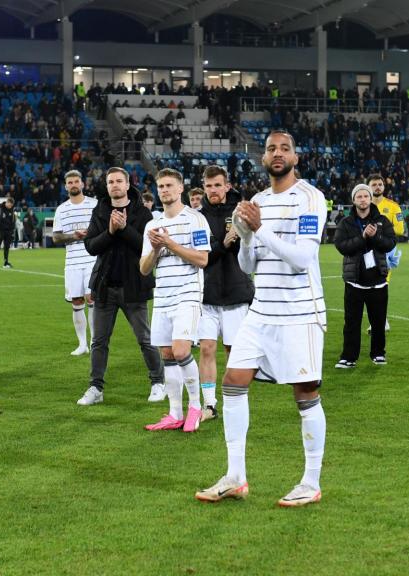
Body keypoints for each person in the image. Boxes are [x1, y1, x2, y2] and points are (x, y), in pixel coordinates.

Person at [196, 131, 327, 507]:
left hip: (300, 311)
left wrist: (260, 229)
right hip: (262, 309)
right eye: (271, 148)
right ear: (264, 157)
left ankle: (310, 481)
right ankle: (235, 476)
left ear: (295, 156)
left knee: (305, 393)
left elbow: (303, 259)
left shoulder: (310, 199)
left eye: (285, 148)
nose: (277, 153)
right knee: (233, 381)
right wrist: (249, 238)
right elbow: (246, 264)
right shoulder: (255, 202)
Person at [76, 167, 165, 405]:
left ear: (127, 185)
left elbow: (145, 247)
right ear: (107, 186)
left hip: (134, 286)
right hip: (105, 286)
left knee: (145, 339)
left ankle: (158, 382)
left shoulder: (142, 213)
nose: (114, 185)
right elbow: (91, 246)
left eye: (118, 181)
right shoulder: (101, 210)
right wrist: (111, 231)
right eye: (110, 181)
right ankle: (95, 388)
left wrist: (124, 229)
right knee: (99, 342)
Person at [139, 168, 211, 432]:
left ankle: (195, 407)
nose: (164, 190)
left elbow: (203, 259)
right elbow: (144, 269)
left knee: (181, 350)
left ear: (180, 188)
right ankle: (174, 413)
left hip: (188, 294)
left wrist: (169, 244)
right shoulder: (152, 225)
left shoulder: (195, 219)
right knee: (167, 355)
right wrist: (156, 248)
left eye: (169, 185)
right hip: (163, 297)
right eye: (160, 186)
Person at [197, 165, 254, 422]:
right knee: (207, 348)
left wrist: (240, 239)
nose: (213, 191)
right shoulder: (197, 217)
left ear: (227, 186)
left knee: (234, 351)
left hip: (235, 293)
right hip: (207, 294)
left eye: (217, 185)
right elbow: (203, 258)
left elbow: (251, 249)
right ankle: (209, 404)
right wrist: (224, 243)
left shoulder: (241, 212)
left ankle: (233, 398)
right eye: (208, 186)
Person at [333, 183, 397, 368]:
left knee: (378, 322)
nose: (363, 199)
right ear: (353, 200)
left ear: (370, 199)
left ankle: (378, 353)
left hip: (378, 280)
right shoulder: (346, 223)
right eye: (359, 196)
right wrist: (362, 237)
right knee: (351, 322)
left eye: (365, 196)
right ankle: (348, 357)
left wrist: (375, 236)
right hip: (354, 281)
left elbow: (390, 244)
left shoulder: (382, 221)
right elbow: (341, 246)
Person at [52, 170, 98, 356]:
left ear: (82, 184)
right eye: (70, 182)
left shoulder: (94, 204)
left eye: (76, 181)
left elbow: (103, 229)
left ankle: (95, 342)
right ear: (66, 186)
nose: (73, 185)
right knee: (77, 300)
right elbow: (56, 237)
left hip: (92, 257)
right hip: (72, 261)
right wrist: (73, 236)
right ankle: (82, 344)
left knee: (91, 298)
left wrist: (90, 233)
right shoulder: (61, 209)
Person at [367, 174, 403, 332]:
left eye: (380, 184)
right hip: (366, 251)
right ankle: (382, 321)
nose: (377, 187)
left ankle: (379, 322)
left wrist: (378, 232)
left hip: (384, 251)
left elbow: (400, 229)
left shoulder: (393, 206)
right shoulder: (362, 206)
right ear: (369, 187)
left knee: (380, 286)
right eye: (374, 184)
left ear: (384, 186)